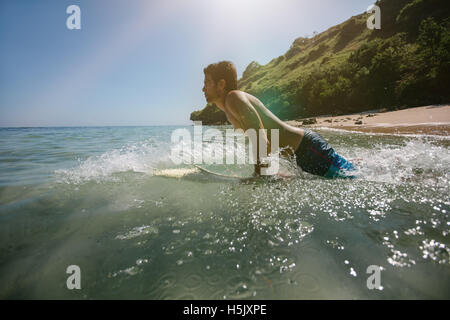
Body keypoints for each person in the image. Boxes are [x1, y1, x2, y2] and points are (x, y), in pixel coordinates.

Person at [202, 61, 356, 178]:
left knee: (353, 176)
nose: (203, 88)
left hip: (309, 149)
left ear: (221, 84)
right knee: (346, 172)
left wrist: (259, 176)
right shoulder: (229, 110)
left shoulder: (233, 98)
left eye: (207, 83)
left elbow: (261, 139)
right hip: (298, 156)